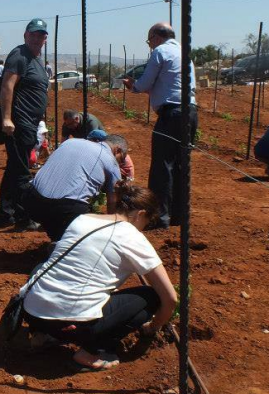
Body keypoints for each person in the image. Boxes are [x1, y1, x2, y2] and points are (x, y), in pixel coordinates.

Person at [20, 182, 177, 373]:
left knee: (43, 267)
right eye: (147, 222)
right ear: (140, 214)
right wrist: (153, 326)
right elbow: (170, 298)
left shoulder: (83, 219)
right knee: (150, 297)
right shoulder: (132, 237)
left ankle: (43, 335)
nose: (144, 228)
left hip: (32, 312)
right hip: (71, 324)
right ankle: (89, 353)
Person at [123, 22, 197, 229]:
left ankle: (159, 218)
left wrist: (133, 86)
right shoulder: (184, 53)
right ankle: (179, 216)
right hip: (190, 112)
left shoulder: (160, 51)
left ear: (156, 36)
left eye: (149, 40)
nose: (150, 45)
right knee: (182, 165)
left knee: (163, 167)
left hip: (171, 114)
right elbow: (168, 85)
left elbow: (144, 83)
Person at [0, 18, 51, 229]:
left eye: (41, 35)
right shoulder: (20, 55)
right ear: (25, 35)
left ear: (45, 39)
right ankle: (23, 217)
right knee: (21, 172)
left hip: (30, 122)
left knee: (14, 169)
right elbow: (7, 87)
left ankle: (4, 215)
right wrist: (7, 118)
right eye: (33, 34)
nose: (37, 38)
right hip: (19, 122)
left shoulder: (35, 59)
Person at [21, 134, 127, 241]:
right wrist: (113, 229)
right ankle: (65, 242)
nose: (120, 163)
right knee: (87, 235)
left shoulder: (71, 142)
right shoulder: (111, 161)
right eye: (121, 159)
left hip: (31, 199)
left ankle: (53, 232)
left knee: (56, 215)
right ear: (117, 150)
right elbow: (112, 201)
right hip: (64, 211)